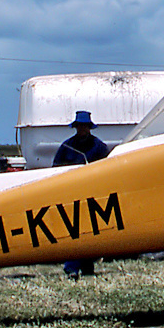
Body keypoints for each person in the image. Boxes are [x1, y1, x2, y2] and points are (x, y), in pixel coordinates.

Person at [52, 111, 109, 278]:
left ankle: (86, 267)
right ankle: (72, 268)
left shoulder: (99, 146)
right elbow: (56, 168)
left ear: (89, 127)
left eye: (85, 126)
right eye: (79, 126)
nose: (82, 129)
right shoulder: (67, 146)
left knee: (90, 232)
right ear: (76, 127)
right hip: (72, 195)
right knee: (74, 231)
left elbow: (107, 169)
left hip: (93, 195)